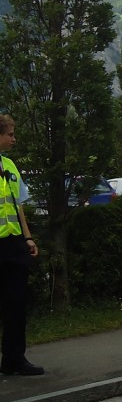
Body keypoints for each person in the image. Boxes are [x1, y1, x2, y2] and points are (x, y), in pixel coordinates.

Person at [0, 113, 43, 376]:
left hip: (14, 244)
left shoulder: (11, 166)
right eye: (10, 134)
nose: (14, 139)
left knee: (16, 304)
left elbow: (19, 207)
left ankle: (14, 360)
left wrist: (27, 237)